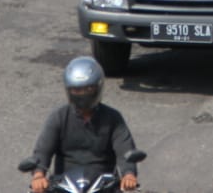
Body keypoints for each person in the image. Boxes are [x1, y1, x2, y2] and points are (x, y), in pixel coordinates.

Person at [29, 57, 139, 193]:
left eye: (88, 89)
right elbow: (42, 151)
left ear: (98, 87)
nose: (82, 95)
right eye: (77, 90)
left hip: (104, 186)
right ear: (69, 90)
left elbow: (125, 150)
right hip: (64, 186)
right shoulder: (59, 117)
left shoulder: (113, 118)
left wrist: (128, 174)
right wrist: (38, 175)